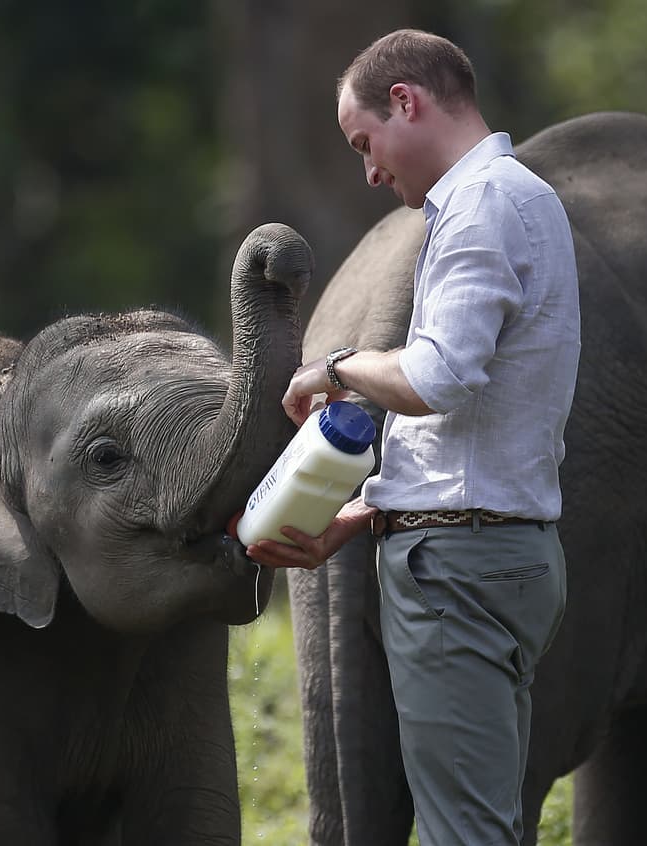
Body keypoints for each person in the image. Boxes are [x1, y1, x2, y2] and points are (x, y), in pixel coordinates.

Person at [246, 29, 580, 846]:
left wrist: (336, 367)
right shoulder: (511, 199)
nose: (368, 171)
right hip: (490, 549)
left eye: (366, 142)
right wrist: (361, 518)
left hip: (458, 571)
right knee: (482, 822)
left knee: (464, 834)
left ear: (407, 101)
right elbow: (477, 430)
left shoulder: (483, 204)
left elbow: (440, 378)